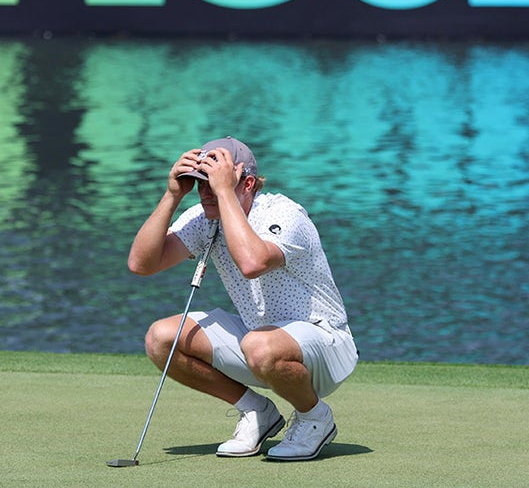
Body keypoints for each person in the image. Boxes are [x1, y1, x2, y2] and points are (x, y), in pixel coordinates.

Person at [127, 136, 358, 461]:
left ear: (248, 183)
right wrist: (172, 196)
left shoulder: (285, 214)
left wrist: (224, 195)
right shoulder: (205, 217)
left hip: (324, 343)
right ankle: (256, 411)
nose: (205, 193)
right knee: (162, 339)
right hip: (259, 342)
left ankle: (314, 418)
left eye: (215, 183)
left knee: (259, 345)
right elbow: (142, 264)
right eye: (199, 184)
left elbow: (253, 264)